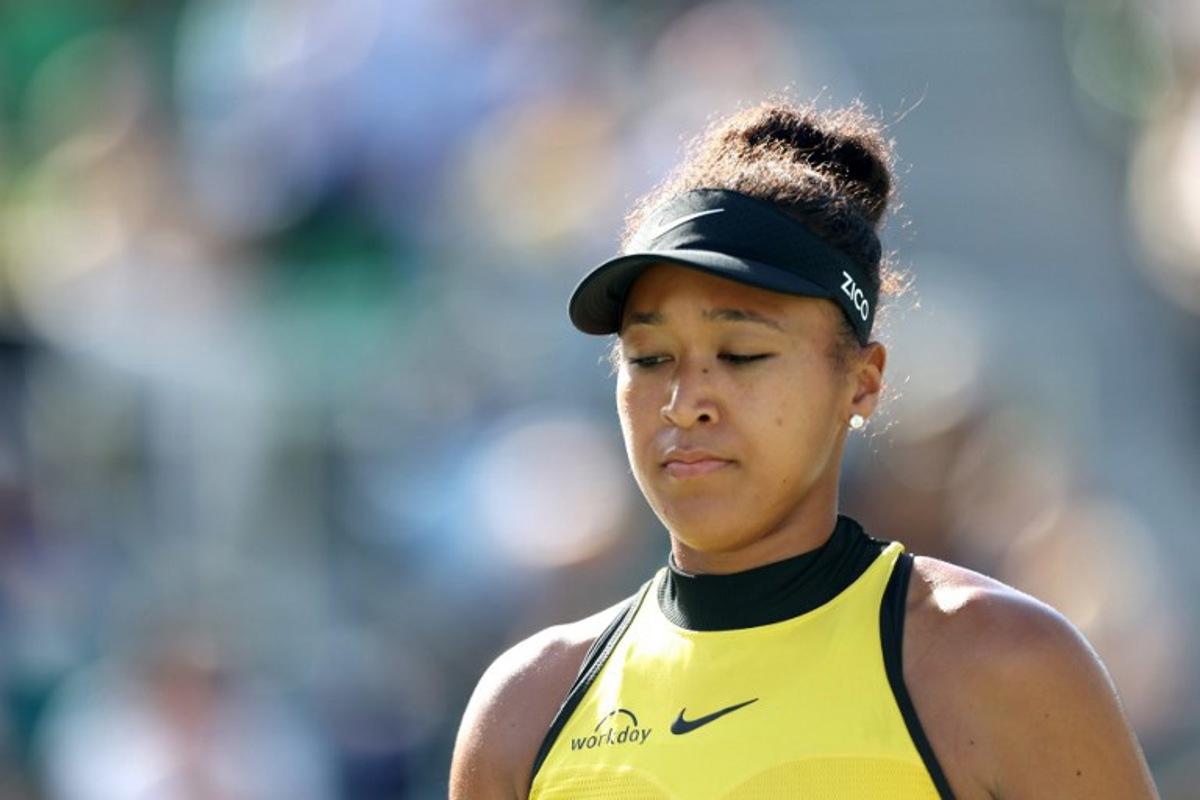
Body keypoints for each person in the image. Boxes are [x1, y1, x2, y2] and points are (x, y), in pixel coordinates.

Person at [449, 99, 1159, 799]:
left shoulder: (1004, 668)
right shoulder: (525, 712)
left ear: (862, 382)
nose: (685, 401)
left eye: (742, 353)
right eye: (651, 357)